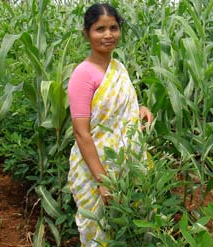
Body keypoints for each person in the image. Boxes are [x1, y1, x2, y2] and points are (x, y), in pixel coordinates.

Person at [67, 3, 153, 247]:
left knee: (134, 224)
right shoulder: (83, 75)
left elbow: (115, 110)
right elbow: (81, 133)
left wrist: (140, 111)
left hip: (127, 162)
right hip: (96, 169)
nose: (108, 35)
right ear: (87, 33)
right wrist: (104, 183)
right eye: (99, 29)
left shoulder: (118, 68)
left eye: (113, 28)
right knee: (99, 233)